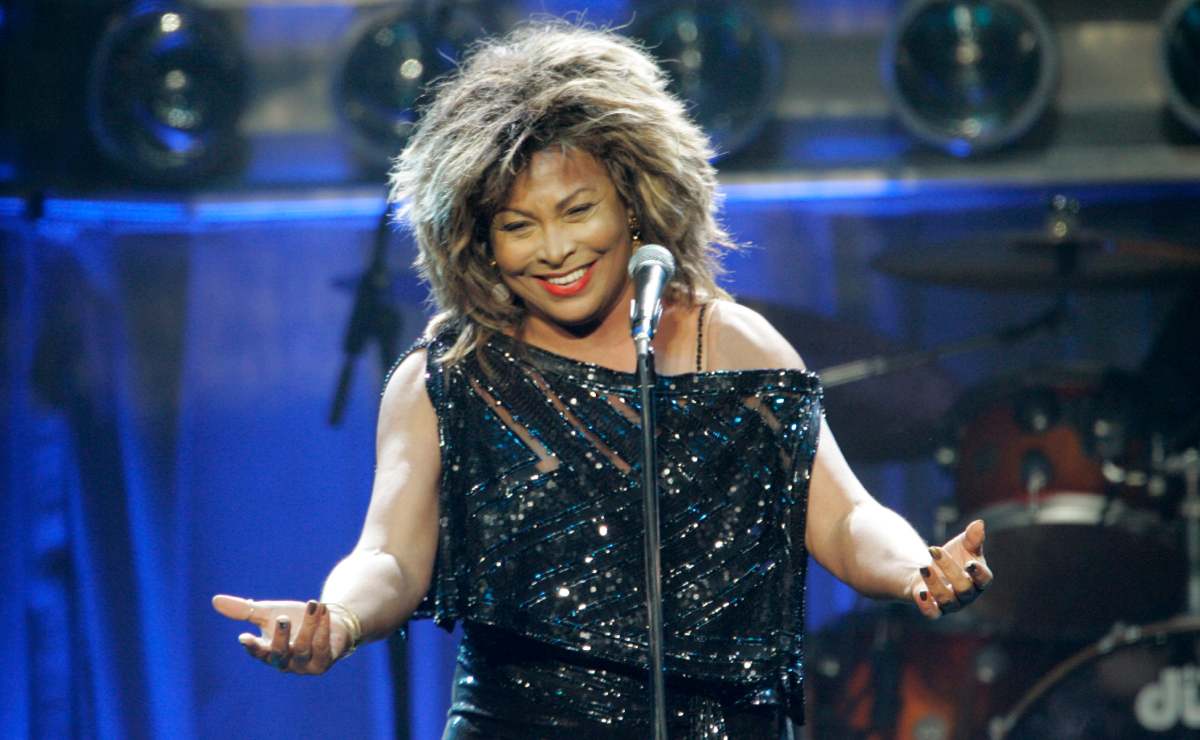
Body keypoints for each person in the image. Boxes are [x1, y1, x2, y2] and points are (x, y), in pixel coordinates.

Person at [213, 21, 992, 738]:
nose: (554, 249)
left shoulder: (731, 346)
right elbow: (389, 556)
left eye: (577, 210)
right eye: (518, 226)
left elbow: (847, 520)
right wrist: (338, 618)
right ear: (477, 242)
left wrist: (915, 567)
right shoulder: (446, 379)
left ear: (635, 202)